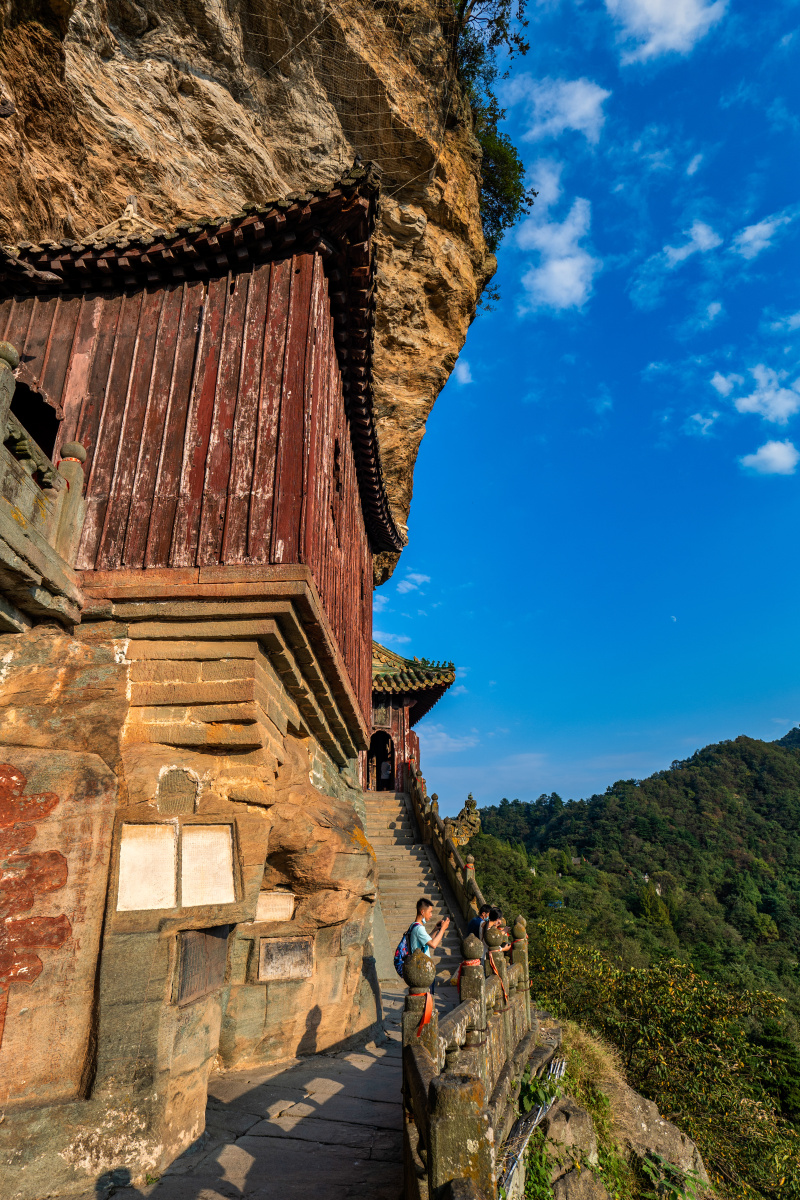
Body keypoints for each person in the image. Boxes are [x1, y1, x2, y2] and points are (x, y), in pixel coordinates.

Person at [408, 897, 450, 988]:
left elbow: (427, 941)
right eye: (430, 912)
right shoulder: (419, 929)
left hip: (418, 966)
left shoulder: (414, 925)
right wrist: (443, 929)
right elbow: (433, 945)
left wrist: (436, 929)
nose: (431, 915)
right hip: (422, 969)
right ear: (423, 912)